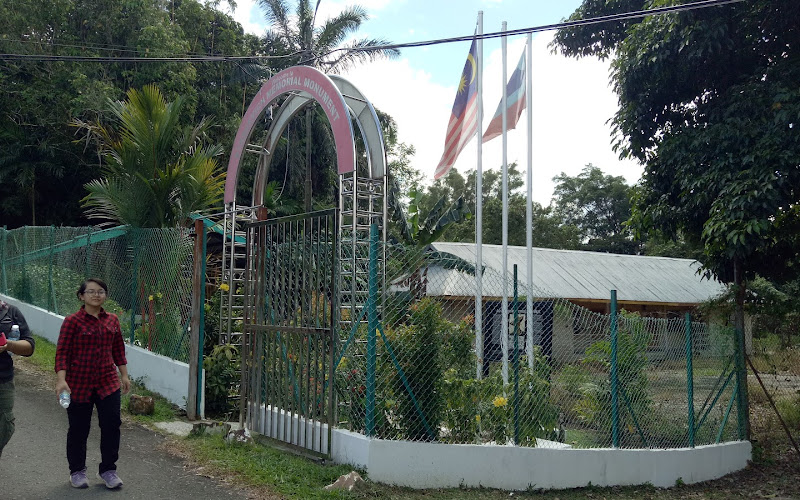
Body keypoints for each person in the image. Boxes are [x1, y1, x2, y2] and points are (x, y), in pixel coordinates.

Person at [55, 278, 130, 489]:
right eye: (91, 292)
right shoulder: (72, 321)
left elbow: (118, 350)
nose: (96, 295)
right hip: (78, 384)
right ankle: (77, 471)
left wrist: (124, 375)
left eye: (101, 291)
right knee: (79, 429)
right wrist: (61, 380)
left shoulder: (112, 320)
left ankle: (108, 470)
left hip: (108, 382)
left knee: (111, 425)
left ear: (105, 295)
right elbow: (62, 353)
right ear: (81, 296)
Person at [0, 300, 35, 458]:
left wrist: (8, 345)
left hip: (3, 380)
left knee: (4, 426)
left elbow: (29, 346)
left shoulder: (10, 312)